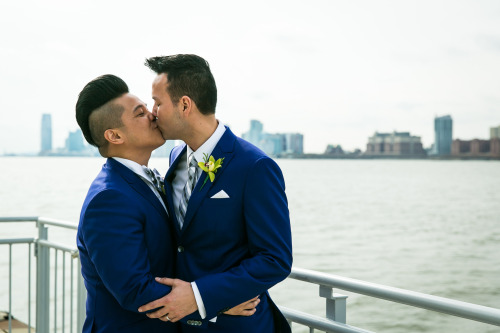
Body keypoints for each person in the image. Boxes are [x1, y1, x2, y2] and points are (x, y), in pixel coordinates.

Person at [75, 74, 256, 333]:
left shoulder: (154, 177)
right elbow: (135, 290)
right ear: (114, 135)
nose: (153, 114)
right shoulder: (109, 199)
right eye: (140, 114)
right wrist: (214, 302)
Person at [138, 54, 293, 333]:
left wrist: (202, 296)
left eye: (157, 102)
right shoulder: (175, 156)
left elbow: (275, 260)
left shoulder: (255, 167)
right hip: (185, 325)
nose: (152, 112)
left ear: (185, 105)